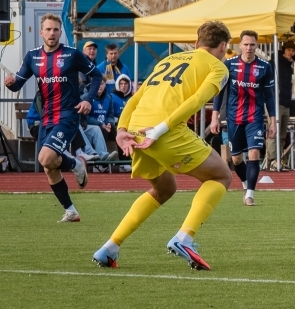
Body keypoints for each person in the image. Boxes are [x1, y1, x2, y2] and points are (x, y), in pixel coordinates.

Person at [92, 21, 233, 270]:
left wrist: (122, 131)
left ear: (197, 42)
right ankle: (184, 238)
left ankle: (109, 248)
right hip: (161, 130)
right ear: (223, 46)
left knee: (164, 189)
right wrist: (161, 129)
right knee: (221, 176)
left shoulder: (168, 60)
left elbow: (135, 98)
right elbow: (198, 100)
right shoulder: (218, 67)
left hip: (136, 127)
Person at [5, 13, 102, 223]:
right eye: (48, 29)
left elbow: (96, 75)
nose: (52, 33)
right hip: (46, 117)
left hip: (67, 115)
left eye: (56, 30)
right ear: (41, 33)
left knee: (45, 158)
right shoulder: (32, 57)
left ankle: (76, 164)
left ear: (60, 33)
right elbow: (17, 85)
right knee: (50, 167)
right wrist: (10, 82)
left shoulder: (72, 54)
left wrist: (88, 99)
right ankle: (71, 211)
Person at [210, 30, 276, 206]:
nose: (249, 48)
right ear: (240, 45)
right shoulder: (229, 64)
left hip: (255, 117)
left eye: (252, 44)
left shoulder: (265, 67)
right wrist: (214, 117)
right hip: (234, 118)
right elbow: (219, 93)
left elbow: (269, 96)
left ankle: (250, 195)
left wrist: (273, 122)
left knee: (254, 153)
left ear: (257, 46)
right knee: (236, 159)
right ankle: (246, 184)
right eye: (246, 44)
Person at [267, 41, 295, 170]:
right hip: (275, 101)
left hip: (286, 101)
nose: (291, 52)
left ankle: (278, 158)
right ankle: (273, 159)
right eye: (289, 49)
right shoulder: (275, 63)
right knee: (274, 131)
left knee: (283, 133)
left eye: (293, 50)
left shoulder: (288, 65)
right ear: (283, 50)